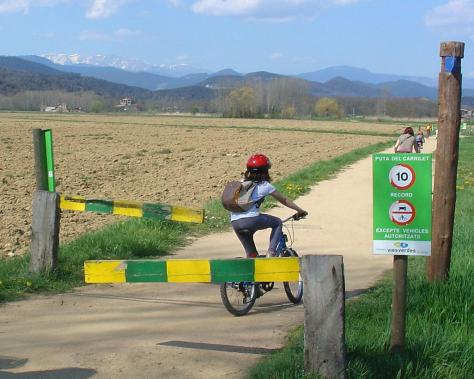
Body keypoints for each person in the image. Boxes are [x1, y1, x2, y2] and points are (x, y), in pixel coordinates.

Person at [230, 154, 308, 258]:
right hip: (251, 220)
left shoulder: (241, 183)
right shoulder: (265, 186)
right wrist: (300, 210)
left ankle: (252, 259)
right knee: (277, 223)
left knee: (251, 255)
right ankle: (271, 253)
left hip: (235, 222)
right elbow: (284, 200)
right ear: (265, 171)